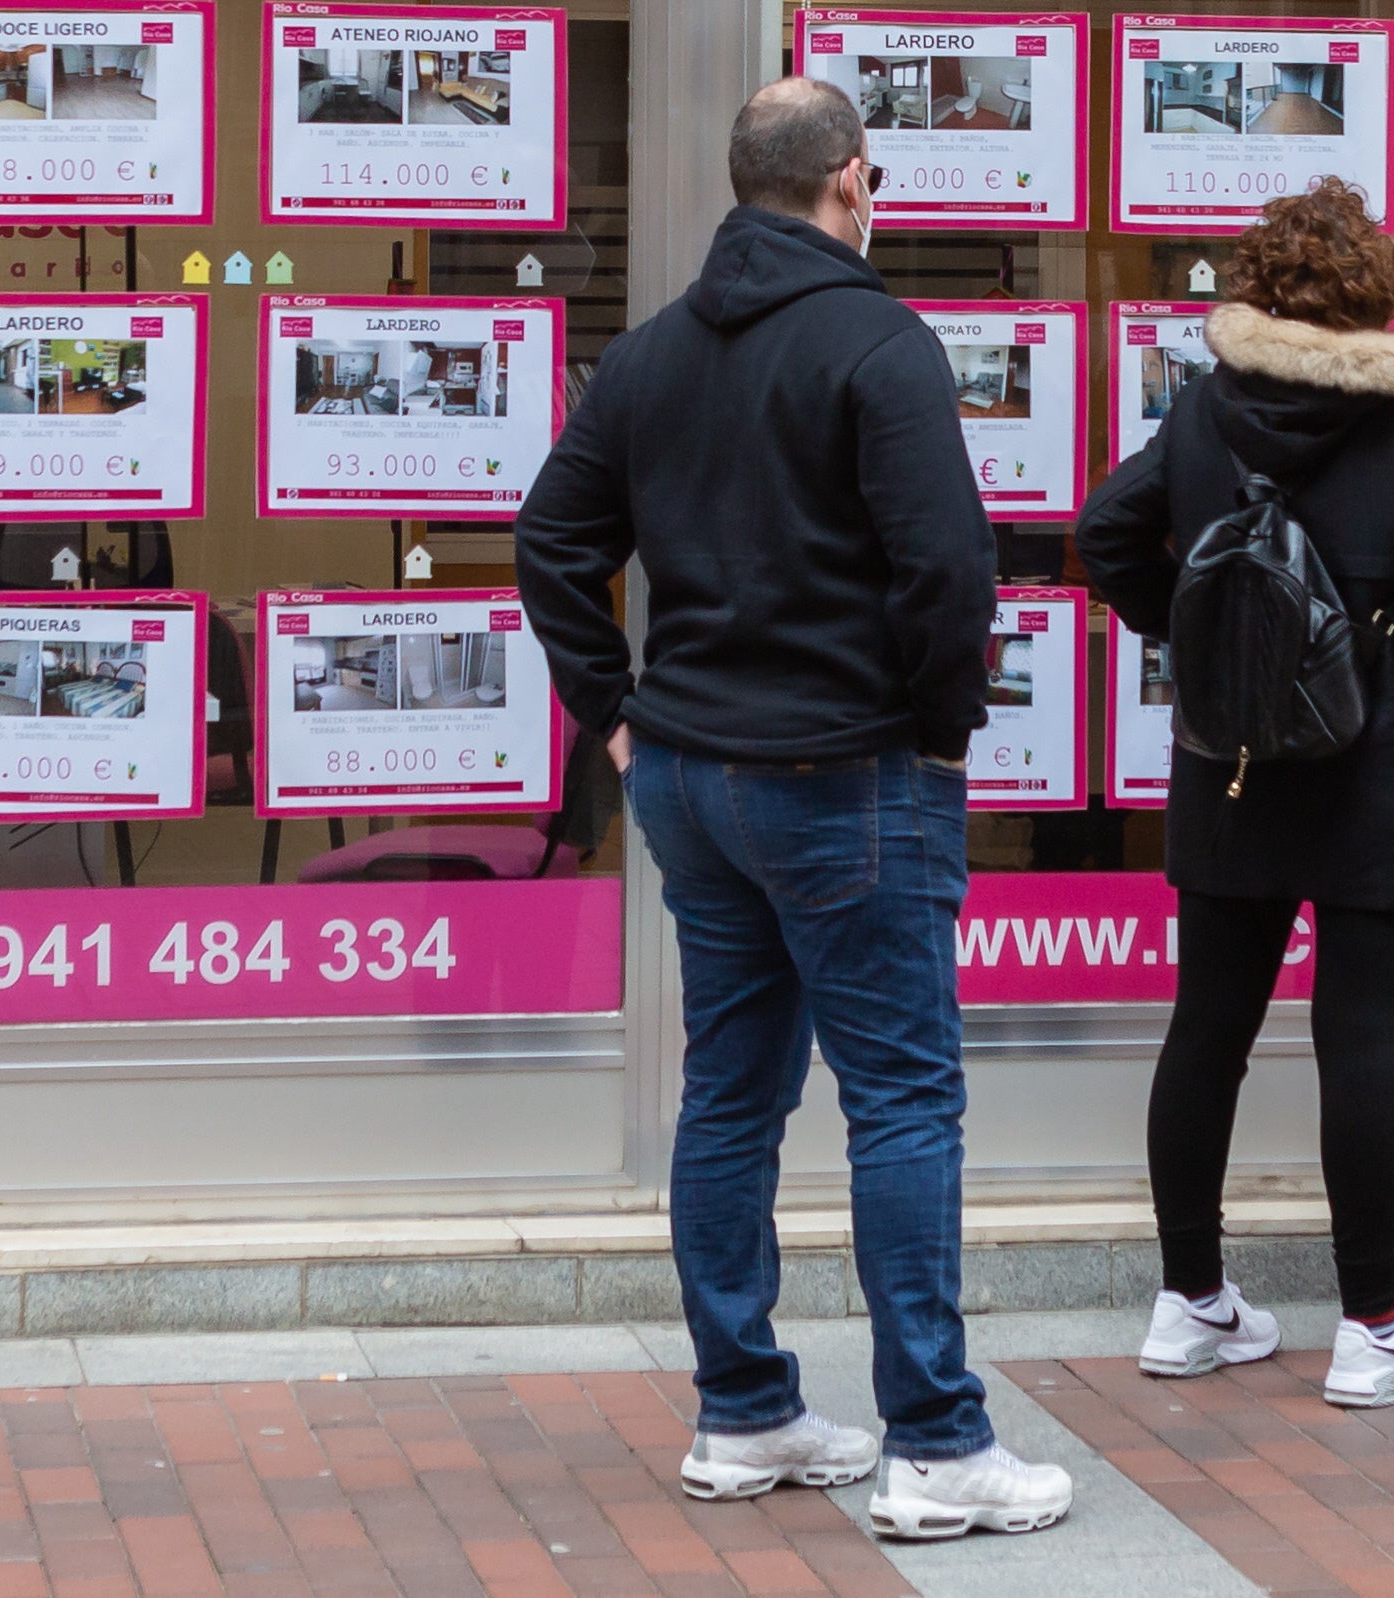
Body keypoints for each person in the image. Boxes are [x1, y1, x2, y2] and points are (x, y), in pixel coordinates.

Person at [512, 76, 1071, 1538]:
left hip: (693, 776)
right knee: (899, 1098)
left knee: (732, 1092)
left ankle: (745, 1410)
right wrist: (941, 733)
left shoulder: (648, 358)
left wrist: (614, 714)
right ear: (852, 180)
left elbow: (551, 540)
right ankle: (939, 1442)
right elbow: (951, 572)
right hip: (850, 774)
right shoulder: (879, 342)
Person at [1076, 178, 1394, 1409]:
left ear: (1259, 287)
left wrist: (1197, 644)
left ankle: (1189, 1305)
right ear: (1377, 292)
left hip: (1230, 758)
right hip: (1380, 760)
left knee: (1208, 1028)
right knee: (1361, 1041)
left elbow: (1105, 532)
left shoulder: (1203, 410)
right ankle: (1372, 1326)